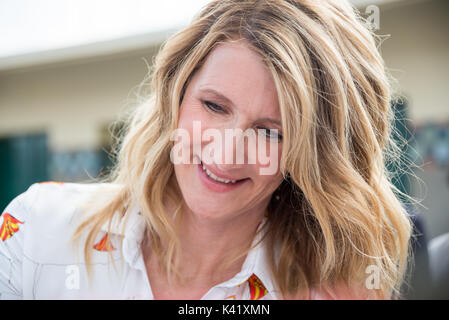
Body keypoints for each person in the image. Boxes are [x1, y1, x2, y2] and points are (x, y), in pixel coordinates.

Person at [0, 0, 413, 300]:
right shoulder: (37, 231)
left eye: (271, 132)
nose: (227, 154)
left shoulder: (330, 293)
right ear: (174, 95)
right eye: (214, 106)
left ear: (310, 157)